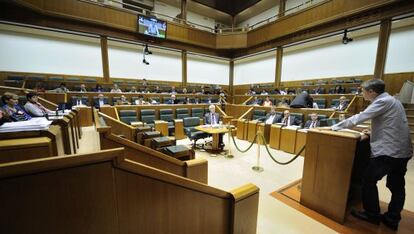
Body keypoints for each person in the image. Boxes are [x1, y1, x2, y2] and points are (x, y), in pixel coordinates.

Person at [331, 79, 412, 230]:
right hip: (402, 151)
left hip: (389, 152)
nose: (362, 94)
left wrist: (335, 127)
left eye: (363, 91)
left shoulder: (382, 101)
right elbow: (390, 124)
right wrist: (373, 132)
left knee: (368, 180)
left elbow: (360, 117)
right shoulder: (392, 100)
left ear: (372, 92)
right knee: (397, 186)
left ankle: (372, 214)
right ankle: (392, 219)